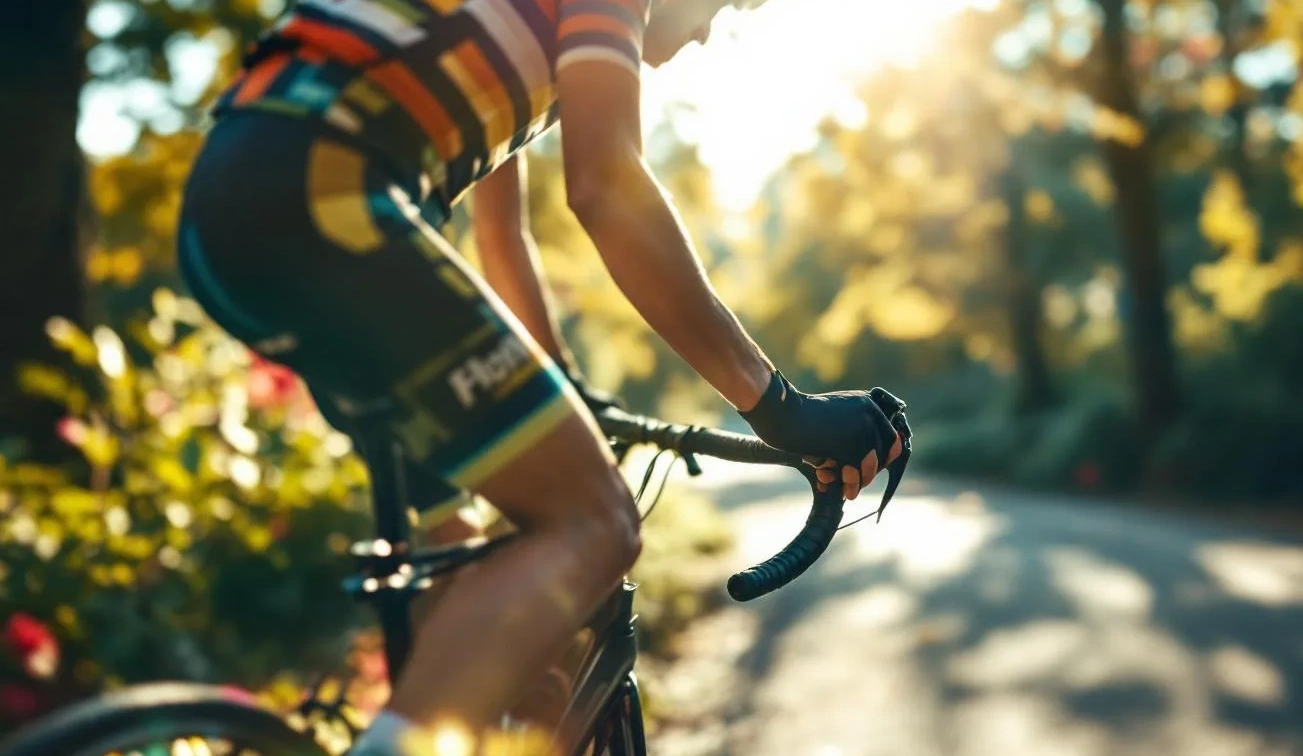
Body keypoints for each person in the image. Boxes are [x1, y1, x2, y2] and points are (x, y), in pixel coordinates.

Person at [175, 0, 907, 752]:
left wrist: (555, 388)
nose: (706, 33)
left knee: (463, 565)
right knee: (597, 522)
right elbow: (605, 186)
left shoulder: (512, 32)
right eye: (719, 6)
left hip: (233, 207)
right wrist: (776, 405)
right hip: (322, 195)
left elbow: (501, 231)